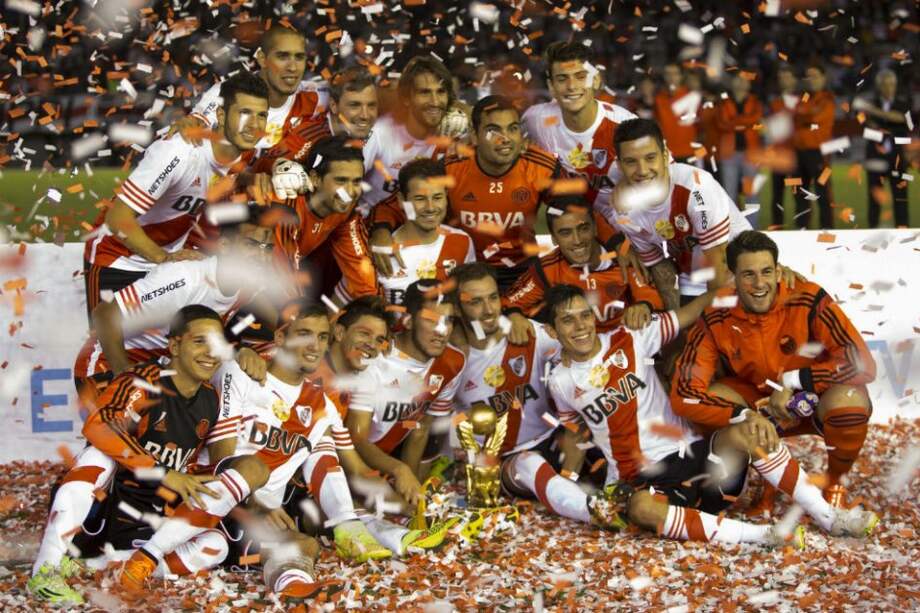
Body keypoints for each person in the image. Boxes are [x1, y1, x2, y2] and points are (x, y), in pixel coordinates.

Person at [117, 302, 452, 598]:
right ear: (279, 339)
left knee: (303, 541)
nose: (314, 345)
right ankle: (147, 557)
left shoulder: (321, 404)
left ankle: (297, 590)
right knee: (258, 476)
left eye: (322, 337)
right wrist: (258, 504)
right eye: (304, 333)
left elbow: (345, 468)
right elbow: (222, 456)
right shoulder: (242, 373)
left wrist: (398, 489)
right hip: (214, 498)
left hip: (256, 519)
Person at [544, 284, 879, 546]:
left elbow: (693, 310)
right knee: (641, 510)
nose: (580, 326)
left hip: (697, 460)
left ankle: (829, 516)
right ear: (553, 331)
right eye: (568, 319)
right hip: (641, 481)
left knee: (750, 429)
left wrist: (732, 281)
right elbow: (576, 434)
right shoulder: (558, 380)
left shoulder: (630, 337)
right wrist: (573, 484)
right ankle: (765, 538)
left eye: (585, 315)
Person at [29, 306, 244, 605]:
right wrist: (163, 472)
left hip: (148, 519)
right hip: (104, 511)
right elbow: (100, 425)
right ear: (175, 345)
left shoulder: (211, 399)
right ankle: (46, 569)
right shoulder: (144, 380)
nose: (210, 352)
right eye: (199, 341)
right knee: (97, 459)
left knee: (216, 546)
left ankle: (99, 567)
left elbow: (196, 466)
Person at [671, 231, 877, 506]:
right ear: (733, 275)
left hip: (812, 397)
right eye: (748, 275)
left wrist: (795, 380)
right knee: (710, 403)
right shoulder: (716, 313)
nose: (760, 283)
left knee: (849, 403)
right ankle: (764, 480)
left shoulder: (808, 296)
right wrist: (743, 415)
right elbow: (685, 392)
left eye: (767, 271)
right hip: (758, 405)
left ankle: (834, 482)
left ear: (779, 271)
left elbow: (863, 363)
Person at [448, 263, 626, 529]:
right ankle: (596, 512)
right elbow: (432, 419)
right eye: (475, 302)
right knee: (528, 463)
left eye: (493, 298)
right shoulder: (451, 358)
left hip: (554, 443)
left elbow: (589, 352)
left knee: (590, 426)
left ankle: (577, 486)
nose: (489, 310)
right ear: (457, 308)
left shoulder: (530, 334)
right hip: (504, 462)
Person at [83, 73, 269, 320]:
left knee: (168, 350)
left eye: (262, 115)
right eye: (245, 113)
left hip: (167, 266)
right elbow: (118, 218)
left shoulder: (246, 155)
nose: (254, 125)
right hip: (119, 261)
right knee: (108, 348)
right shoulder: (179, 151)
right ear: (222, 115)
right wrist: (163, 258)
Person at [75, 204, 293, 394]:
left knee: (270, 353)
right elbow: (104, 315)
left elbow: (283, 327)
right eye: (251, 245)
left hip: (162, 370)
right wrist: (124, 375)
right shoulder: (184, 277)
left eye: (267, 248)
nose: (261, 256)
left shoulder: (250, 283)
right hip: (106, 366)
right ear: (225, 247)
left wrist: (242, 352)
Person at [372, 96, 563, 291]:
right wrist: (381, 231)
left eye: (513, 129)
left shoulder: (542, 167)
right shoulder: (451, 167)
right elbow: (397, 203)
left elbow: (571, 211)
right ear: (474, 135)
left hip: (523, 270)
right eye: (493, 130)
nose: (505, 138)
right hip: (464, 269)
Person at [598, 118, 752, 310]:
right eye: (631, 162)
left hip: (740, 273)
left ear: (664, 155)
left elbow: (718, 264)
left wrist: (712, 325)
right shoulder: (624, 212)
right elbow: (660, 268)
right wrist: (675, 319)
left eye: (650, 158)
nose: (643, 170)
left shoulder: (695, 188)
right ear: (619, 166)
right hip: (692, 283)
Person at [342, 280, 466, 508]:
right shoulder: (375, 359)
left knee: (414, 512)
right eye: (431, 320)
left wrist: (412, 489)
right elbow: (356, 437)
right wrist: (400, 470)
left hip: (387, 464)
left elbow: (421, 428)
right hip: (345, 461)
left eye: (448, 321)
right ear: (407, 321)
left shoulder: (453, 362)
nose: (442, 331)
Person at [503, 199, 663, 342]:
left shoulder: (622, 258)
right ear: (553, 238)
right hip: (575, 349)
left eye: (583, 229)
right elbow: (509, 302)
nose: (577, 240)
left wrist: (643, 305)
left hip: (624, 341)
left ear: (595, 229)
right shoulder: (547, 269)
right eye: (565, 233)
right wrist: (514, 315)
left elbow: (650, 295)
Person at [177, 25, 328, 162]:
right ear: (262, 59)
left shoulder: (316, 96)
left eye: (299, 57)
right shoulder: (226, 93)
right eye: (282, 56)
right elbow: (191, 126)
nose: (293, 67)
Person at [522, 41, 637, 199]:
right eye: (562, 79)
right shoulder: (535, 119)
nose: (572, 86)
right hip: (567, 218)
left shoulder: (626, 126)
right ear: (551, 86)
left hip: (623, 220)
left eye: (581, 77)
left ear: (595, 80)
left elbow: (665, 176)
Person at [275, 135, 378, 305]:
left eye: (356, 182)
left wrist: (373, 310)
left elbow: (361, 271)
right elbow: (284, 281)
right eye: (341, 181)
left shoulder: (344, 211)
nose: (350, 192)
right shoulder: (285, 207)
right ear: (315, 179)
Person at [363, 55, 468, 210]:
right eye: (424, 92)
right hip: (372, 225)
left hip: (425, 224)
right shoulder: (379, 133)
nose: (434, 101)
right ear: (406, 98)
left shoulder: (455, 133)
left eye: (440, 92)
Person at [373, 158, 475, 305]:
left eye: (437, 197)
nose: (430, 208)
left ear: (446, 196)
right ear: (402, 200)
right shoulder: (381, 252)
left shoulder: (462, 241)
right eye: (420, 198)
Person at [249, 65, 379, 173]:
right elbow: (262, 166)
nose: (365, 115)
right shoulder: (308, 137)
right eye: (354, 105)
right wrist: (287, 170)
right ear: (334, 106)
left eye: (371, 105)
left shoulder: (382, 131)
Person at [855, 68, 911, 228]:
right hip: (875, 159)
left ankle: (903, 232)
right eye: (885, 85)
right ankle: (872, 231)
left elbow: (902, 119)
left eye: (891, 84)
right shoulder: (873, 104)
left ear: (895, 85)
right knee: (874, 199)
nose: (888, 88)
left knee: (900, 198)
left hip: (897, 160)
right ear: (879, 86)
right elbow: (865, 128)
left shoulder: (902, 103)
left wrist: (875, 115)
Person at [792, 63, 835, 229]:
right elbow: (798, 113)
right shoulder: (803, 97)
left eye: (815, 75)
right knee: (799, 194)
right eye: (808, 76)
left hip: (819, 153)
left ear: (824, 78)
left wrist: (805, 115)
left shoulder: (828, 98)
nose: (811, 80)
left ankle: (828, 231)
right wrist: (808, 115)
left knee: (823, 194)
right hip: (799, 152)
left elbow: (815, 117)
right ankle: (802, 230)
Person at [715, 72, 763, 211]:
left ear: (749, 84)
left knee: (751, 193)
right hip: (729, 153)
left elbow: (756, 119)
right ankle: (734, 227)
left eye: (744, 80)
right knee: (729, 194)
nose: (741, 83)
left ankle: (753, 228)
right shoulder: (723, 102)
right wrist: (745, 122)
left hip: (750, 154)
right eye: (738, 80)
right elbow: (722, 124)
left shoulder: (755, 101)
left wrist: (734, 122)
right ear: (732, 83)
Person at [767, 65, 799, 228]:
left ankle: (802, 226)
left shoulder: (803, 100)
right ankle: (777, 227)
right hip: (779, 156)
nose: (784, 81)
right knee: (777, 193)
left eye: (787, 77)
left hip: (796, 156)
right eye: (781, 78)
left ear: (794, 79)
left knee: (798, 193)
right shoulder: (775, 102)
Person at [654, 62, 697, 164]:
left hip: (688, 152)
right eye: (668, 73)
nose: (671, 77)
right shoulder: (658, 98)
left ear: (681, 76)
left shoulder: (692, 96)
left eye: (675, 73)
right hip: (665, 152)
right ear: (664, 76)